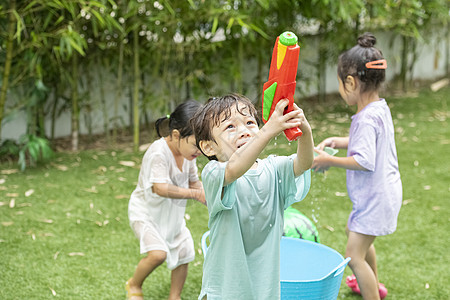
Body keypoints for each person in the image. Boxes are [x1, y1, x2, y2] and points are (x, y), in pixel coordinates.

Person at [190, 94, 314, 299]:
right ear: (208, 147)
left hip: (265, 286)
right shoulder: (214, 173)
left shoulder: (273, 169)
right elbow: (235, 169)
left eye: (249, 122)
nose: (244, 131)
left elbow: (304, 162)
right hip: (227, 288)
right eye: (230, 127)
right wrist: (267, 131)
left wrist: (305, 131)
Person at [312, 33, 402, 300]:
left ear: (350, 82)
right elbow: (370, 143)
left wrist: (328, 159)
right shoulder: (379, 108)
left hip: (376, 198)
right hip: (384, 192)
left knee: (353, 255)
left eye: (340, 84)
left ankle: (371, 292)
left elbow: (364, 160)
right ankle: (374, 284)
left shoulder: (364, 119)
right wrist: (340, 142)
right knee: (355, 234)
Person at [126, 100, 206, 300]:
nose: (200, 151)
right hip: (145, 213)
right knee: (158, 254)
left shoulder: (189, 156)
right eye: (196, 145)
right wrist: (195, 194)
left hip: (171, 215)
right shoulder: (158, 153)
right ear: (177, 135)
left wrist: (211, 196)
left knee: (185, 251)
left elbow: (195, 183)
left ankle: (174, 296)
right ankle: (134, 285)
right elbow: (159, 188)